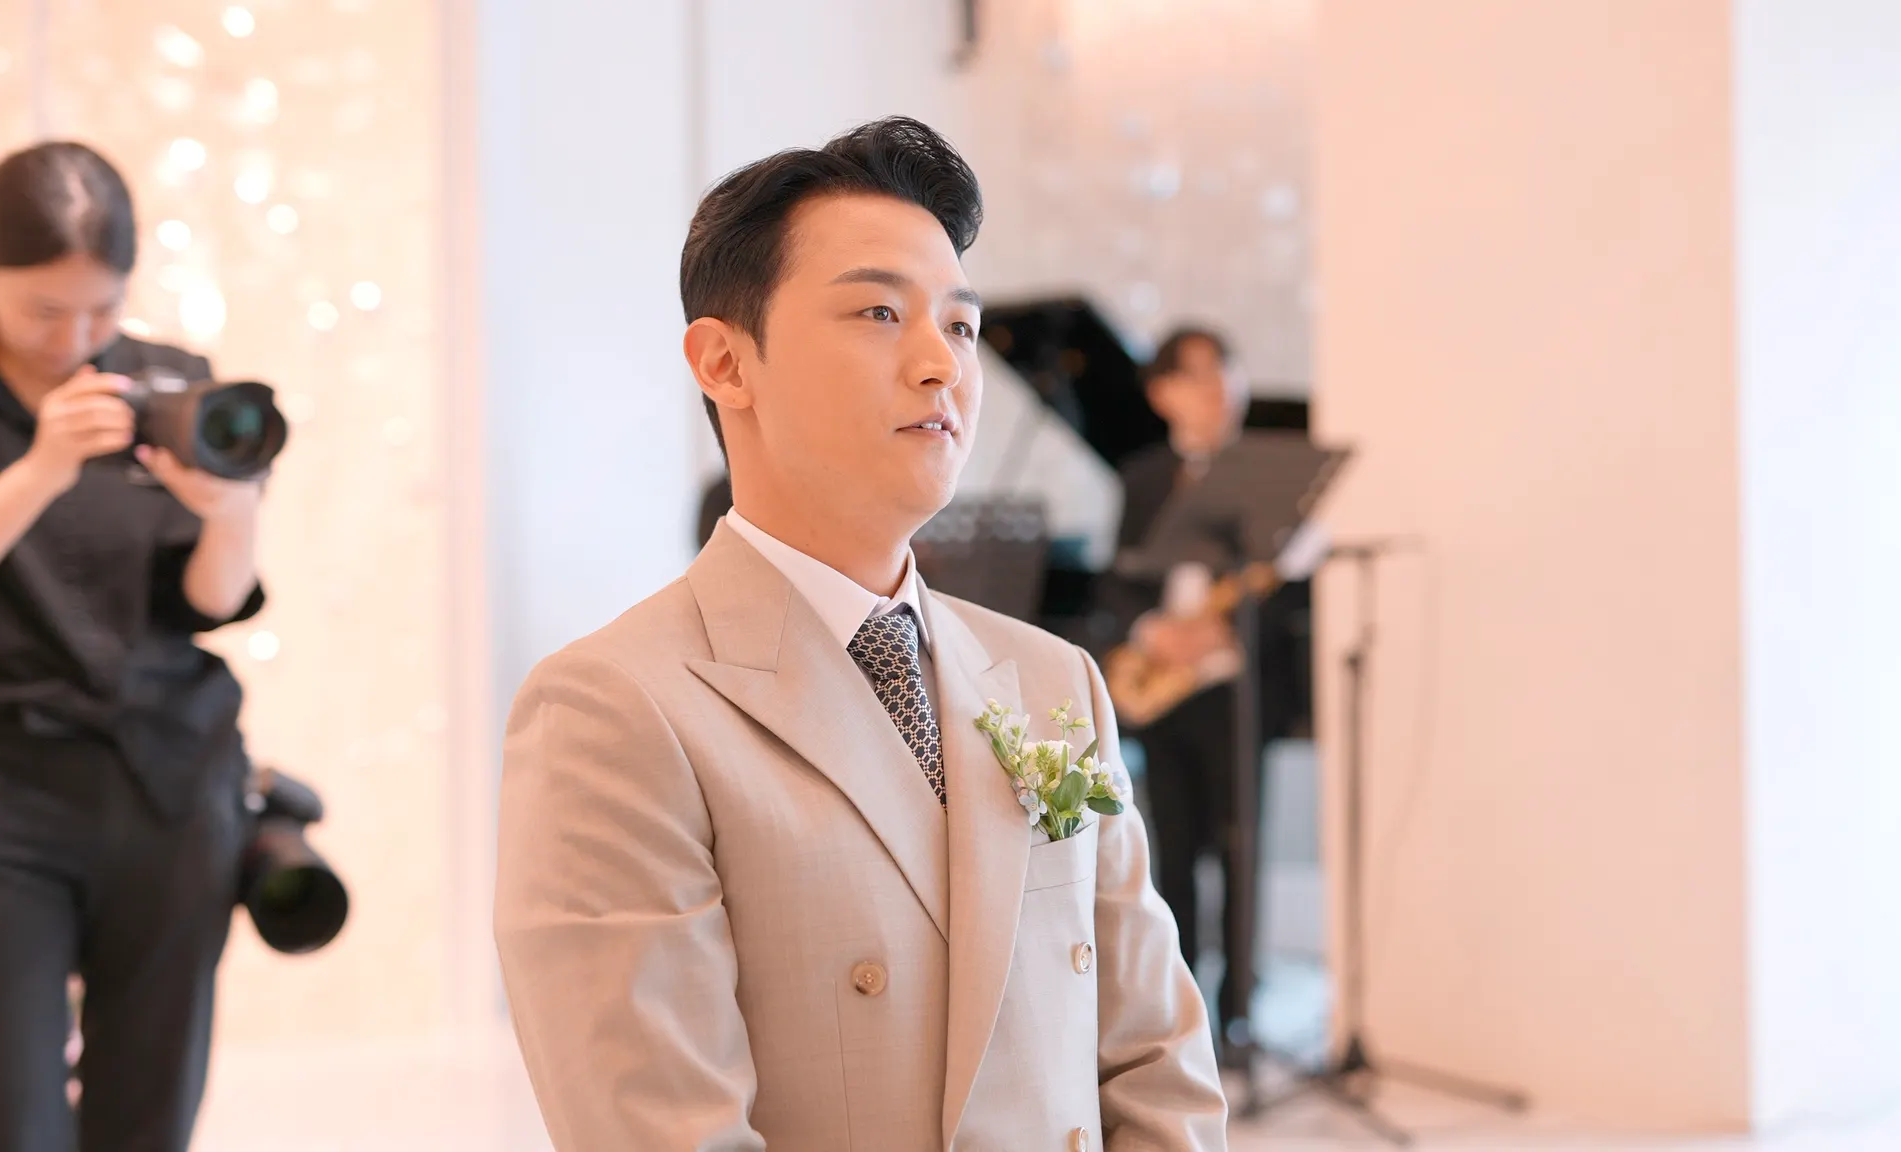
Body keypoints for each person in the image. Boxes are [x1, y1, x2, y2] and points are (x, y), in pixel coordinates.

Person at [495, 118, 1226, 1150]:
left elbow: (1156, 1060)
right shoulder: (615, 711)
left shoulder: (1052, 679)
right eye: (880, 312)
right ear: (724, 362)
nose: (940, 364)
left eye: (960, 326)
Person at [0, 142, 266, 1151]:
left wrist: (230, 511)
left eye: (101, 310)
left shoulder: (169, 386)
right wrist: (43, 465)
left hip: (171, 784)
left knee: (149, 1117)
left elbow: (211, 599)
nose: (75, 338)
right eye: (44, 311)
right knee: (1, 1119)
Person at [1103, 326, 1303, 1057]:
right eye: (1200, 374)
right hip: (1167, 691)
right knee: (1174, 853)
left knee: (1242, 851)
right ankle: (1180, 1019)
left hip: (1238, 687)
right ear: (1162, 394)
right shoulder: (1142, 479)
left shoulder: (1271, 477)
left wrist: (1229, 633)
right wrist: (1153, 631)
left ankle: (1239, 1017)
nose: (1221, 388)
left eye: (1228, 370)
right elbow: (1117, 580)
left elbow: (1293, 589)